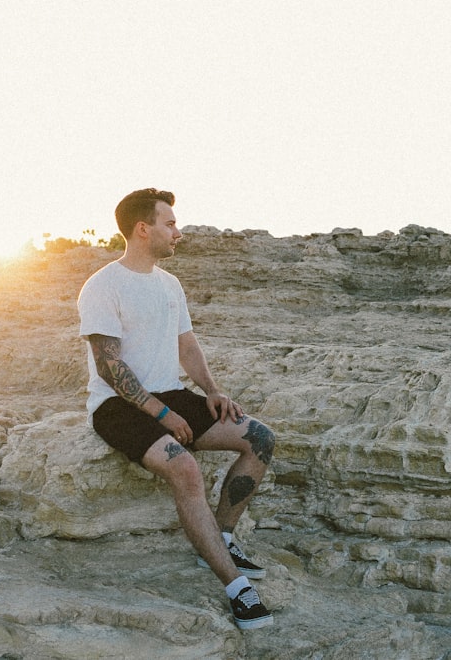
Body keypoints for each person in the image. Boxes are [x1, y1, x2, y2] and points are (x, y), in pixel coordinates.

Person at [77, 188, 276, 630]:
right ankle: (236, 588)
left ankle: (221, 539)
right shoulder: (102, 286)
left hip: (171, 392)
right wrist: (161, 415)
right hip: (118, 405)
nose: (178, 233)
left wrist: (211, 390)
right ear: (142, 229)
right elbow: (109, 366)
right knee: (185, 469)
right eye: (170, 224)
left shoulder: (170, 285)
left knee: (260, 438)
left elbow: (186, 345)